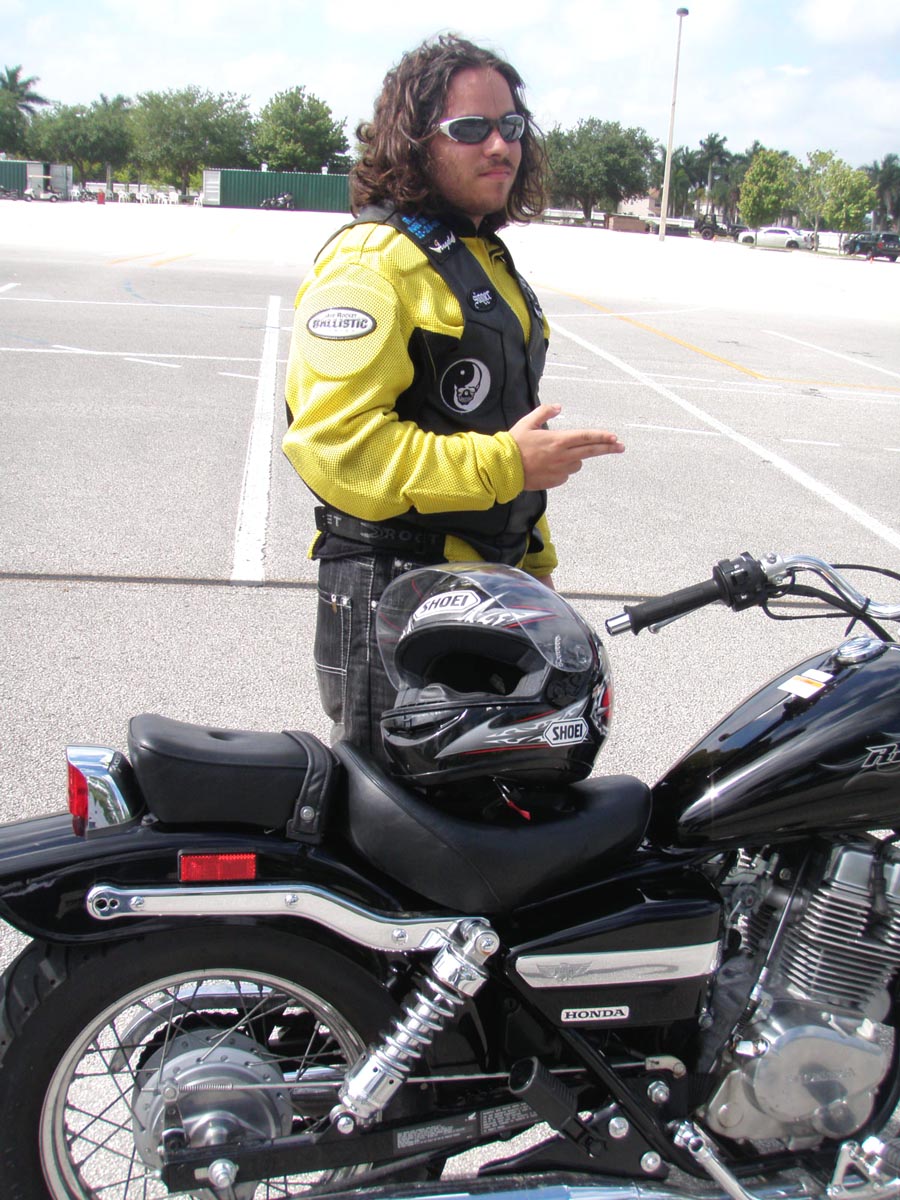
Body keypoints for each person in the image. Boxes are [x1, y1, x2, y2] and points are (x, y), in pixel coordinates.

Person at [283, 32, 624, 762]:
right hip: (396, 594)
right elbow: (336, 448)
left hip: (485, 590)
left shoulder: (480, 257)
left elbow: (505, 425)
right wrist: (506, 464)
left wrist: (537, 576)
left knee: (501, 802)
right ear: (414, 142)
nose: (500, 146)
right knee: (401, 813)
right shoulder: (372, 263)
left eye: (511, 125)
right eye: (471, 128)